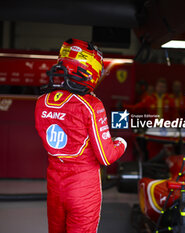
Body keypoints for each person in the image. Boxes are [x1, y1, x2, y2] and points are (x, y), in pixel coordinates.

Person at [35, 38, 127, 233]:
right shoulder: (91, 105)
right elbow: (106, 156)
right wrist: (121, 143)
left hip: (55, 188)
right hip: (83, 190)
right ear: (91, 69)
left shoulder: (42, 101)